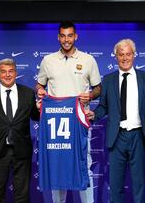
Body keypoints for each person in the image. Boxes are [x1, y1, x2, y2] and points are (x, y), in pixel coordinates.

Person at [36, 21, 101, 203]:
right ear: (58, 37)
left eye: (69, 35)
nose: (66, 40)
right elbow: (39, 85)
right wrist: (40, 91)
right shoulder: (48, 60)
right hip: (55, 122)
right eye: (63, 36)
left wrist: (90, 95)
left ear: (76, 36)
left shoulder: (88, 60)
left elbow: (98, 88)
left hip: (79, 120)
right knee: (58, 166)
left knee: (83, 164)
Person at [88, 38, 145, 203]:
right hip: (116, 137)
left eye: (128, 54)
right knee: (116, 185)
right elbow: (103, 106)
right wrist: (94, 115)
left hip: (138, 136)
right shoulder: (109, 79)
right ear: (116, 56)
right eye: (121, 55)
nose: (124, 58)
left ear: (134, 55)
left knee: (139, 184)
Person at [0, 58, 40, 203]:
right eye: (3, 72)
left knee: (22, 194)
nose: (7, 75)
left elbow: (35, 117)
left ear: (16, 73)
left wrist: (39, 109)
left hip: (22, 150)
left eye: (11, 71)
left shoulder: (28, 93)